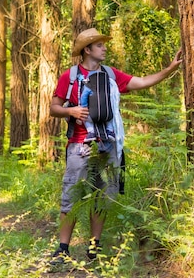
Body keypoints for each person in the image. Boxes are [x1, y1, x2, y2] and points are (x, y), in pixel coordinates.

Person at [49, 28, 182, 264]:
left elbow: (141, 82)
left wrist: (170, 69)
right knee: (72, 197)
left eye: (103, 45)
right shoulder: (69, 77)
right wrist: (70, 110)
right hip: (80, 146)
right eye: (99, 45)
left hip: (109, 145)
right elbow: (54, 107)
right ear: (87, 50)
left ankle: (93, 248)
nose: (105, 48)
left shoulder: (111, 75)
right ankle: (62, 249)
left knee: (103, 198)